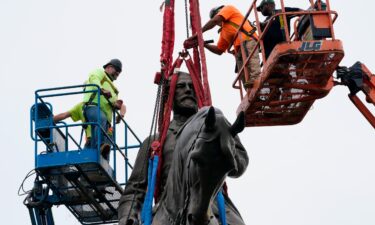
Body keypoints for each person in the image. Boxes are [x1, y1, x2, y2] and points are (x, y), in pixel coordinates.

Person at [118, 72, 249, 225]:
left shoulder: (215, 125)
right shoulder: (154, 142)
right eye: (181, 86)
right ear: (169, 96)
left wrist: (224, 146)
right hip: (167, 208)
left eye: (192, 86)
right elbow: (135, 189)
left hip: (212, 202)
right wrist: (128, 216)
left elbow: (239, 167)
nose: (188, 90)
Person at [187, 5, 261, 88]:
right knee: (243, 73)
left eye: (216, 15)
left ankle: (256, 79)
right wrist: (203, 43)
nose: (218, 22)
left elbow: (215, 21)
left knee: (252, 61)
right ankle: (249, 91)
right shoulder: (224, 31)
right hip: (239, 50)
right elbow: (219, 50)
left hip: (248, 40)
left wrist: (198, 33)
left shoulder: (228, 8)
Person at [83, 59, 125, 158]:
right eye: (117, 70)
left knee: (108, 141)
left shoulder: (114, 89)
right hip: (93, 106)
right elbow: (94, 79)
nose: (118, 73)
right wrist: (102, 89)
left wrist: (117, 106)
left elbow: (117, 103)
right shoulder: (100, 73)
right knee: (100, 119)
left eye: (119, 72)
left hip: (107, 120)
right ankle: (100, 146)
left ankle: (101, 160)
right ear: (109, 67)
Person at [53, 102, 126, 154]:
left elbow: (122, 105)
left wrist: (121, 115)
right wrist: (49, 120)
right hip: (93, 139)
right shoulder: (82, 106)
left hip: (105, 138)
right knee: (91, 161)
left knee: (96, 159)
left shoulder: (104, 100)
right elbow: (65, 115)